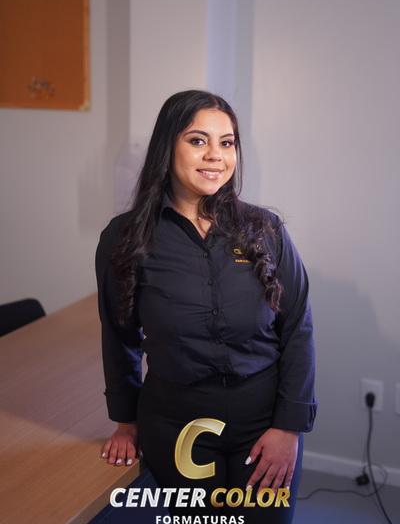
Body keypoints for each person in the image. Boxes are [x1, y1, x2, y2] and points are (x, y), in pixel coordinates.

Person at [95, 90, 317, 523]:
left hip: (264, 426)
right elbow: (119, 335)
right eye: (198, 140)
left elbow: (297, 329)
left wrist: (288, 428)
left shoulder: (265, 229)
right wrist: (125, 422)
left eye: (227, 142)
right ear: (168, 147)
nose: (216, 155)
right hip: (178, 430)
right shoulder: (125, 238)